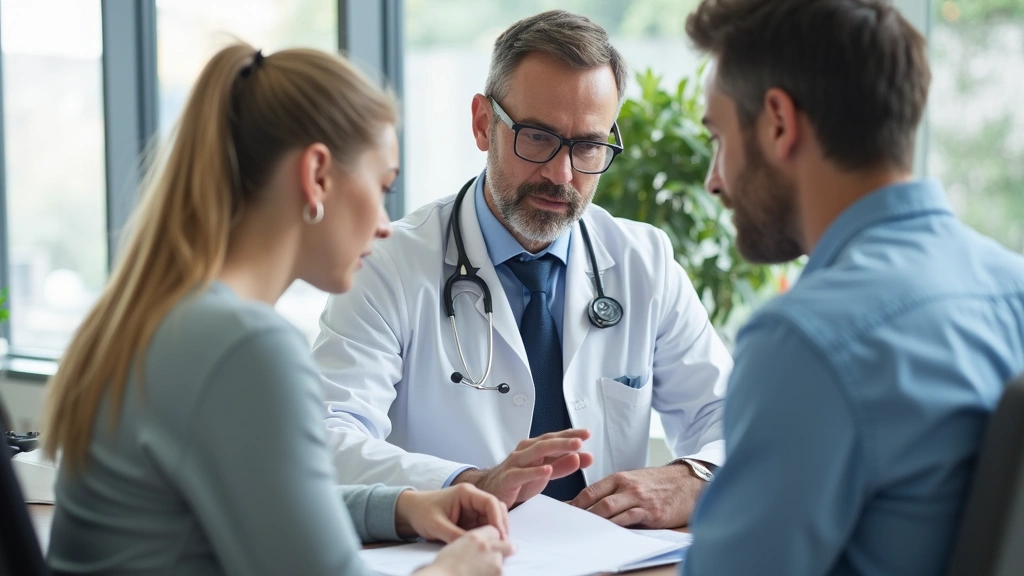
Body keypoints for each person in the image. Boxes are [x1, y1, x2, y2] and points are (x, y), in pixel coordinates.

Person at [42, 44, 513, 576]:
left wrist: (402, 506)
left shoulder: (169, 317)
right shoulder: (244, 345)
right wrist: (457, 570)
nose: (386, 223)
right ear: (316, 175)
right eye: (383, 187)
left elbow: (264, 501)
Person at [313, 9, 732, 529]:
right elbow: (326, 438)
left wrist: (694, 475)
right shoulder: (387, 265)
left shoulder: (644, 261)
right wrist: (467, 483)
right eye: (536, 136)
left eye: (588, 146)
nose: (561, 174)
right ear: (483, 123)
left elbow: (732, 420)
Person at [680, 1, 1024, 574]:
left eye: (719, 138)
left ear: (778, 124)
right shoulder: (1013, 286)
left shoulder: (806, 342)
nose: (715, 180)